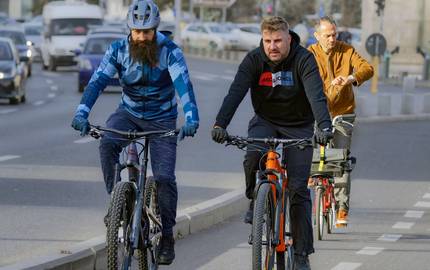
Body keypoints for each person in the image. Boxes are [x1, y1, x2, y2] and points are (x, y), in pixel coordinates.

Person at [71, 0, 199, 265]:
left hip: (162, 118)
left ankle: (166, 236)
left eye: (148, 31)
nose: (142, 37)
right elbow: (97, 82)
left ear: (155, 30)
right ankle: (115, 203)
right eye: (137, 31)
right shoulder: (118, 50)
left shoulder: (170, 51)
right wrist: (82, 111)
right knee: (107, 144)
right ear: (129, 29)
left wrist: (191, 116)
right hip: (127, 113)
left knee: (164, 177)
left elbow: (183, 86)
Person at [211, 16, 333, 270]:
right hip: (266, 120)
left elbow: (316, 96)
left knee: (298, 190)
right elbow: (236, 92)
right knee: (252, 157)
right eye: (267, 41)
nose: (272, 46)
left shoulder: (303, 59)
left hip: (299, 125)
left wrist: (324, 127)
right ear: (262, 40)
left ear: (289, 39)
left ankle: (301, 254)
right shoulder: (254, 60)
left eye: (278, 40)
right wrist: (220, 124)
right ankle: (256, 199)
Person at [308, 16, 374, 227]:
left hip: (343, 112)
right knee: (310, 147)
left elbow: (367, 68)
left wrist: (350, 78)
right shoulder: (309, 55)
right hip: (318, 112)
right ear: (317, 36)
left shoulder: (346, 51)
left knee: (341, 159)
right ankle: (313, 176)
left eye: (334, 34)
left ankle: (342, 207)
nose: (332, 39)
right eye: (327, 35)